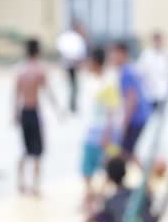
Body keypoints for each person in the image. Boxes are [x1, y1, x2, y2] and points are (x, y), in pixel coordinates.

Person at [14, 38, 60, 197]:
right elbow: (48, 92)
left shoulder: (20, 70)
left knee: (26, 150)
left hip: (24, 111)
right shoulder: (40, 70)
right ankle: (35, 185)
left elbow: (16, 95)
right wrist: (58, 110)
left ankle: (21, 182)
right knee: (38, 152)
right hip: (34, 111)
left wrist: (14, 114)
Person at [80, 47, 121, 205]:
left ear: (95, 62)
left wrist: (108, 133)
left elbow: (112, 109)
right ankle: (91, 193)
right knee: (87, 165)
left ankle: (101, 195)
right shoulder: (91, 81)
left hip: (105, 130)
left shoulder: (108, 82)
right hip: (92, 129)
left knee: (109, 164)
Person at [111, 42, 152, 164]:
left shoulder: (126, 72)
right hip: (140, 116)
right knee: (128, 151)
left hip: (136, 117)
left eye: (114, 54)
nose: (112, 58)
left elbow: (132, 98)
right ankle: (146, 179)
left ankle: (145, 180)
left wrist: (125, 121)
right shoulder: (129, 69)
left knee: (125, 151)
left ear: (123, 54)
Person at [57, 21, 87, 113]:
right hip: (71, 65)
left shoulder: (72, 37)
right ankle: (72, 105)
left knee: (73, 86)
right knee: (73, 86)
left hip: (71, 64)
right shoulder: (73, 38)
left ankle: (72, 104)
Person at [137, 32, 168, 112]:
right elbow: (140, 72)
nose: (158, 43)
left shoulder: (167, 54)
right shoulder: (146, 55)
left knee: (160, 117)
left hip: (163, 93)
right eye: (156, 40)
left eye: (160, 40)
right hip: (149, 94)